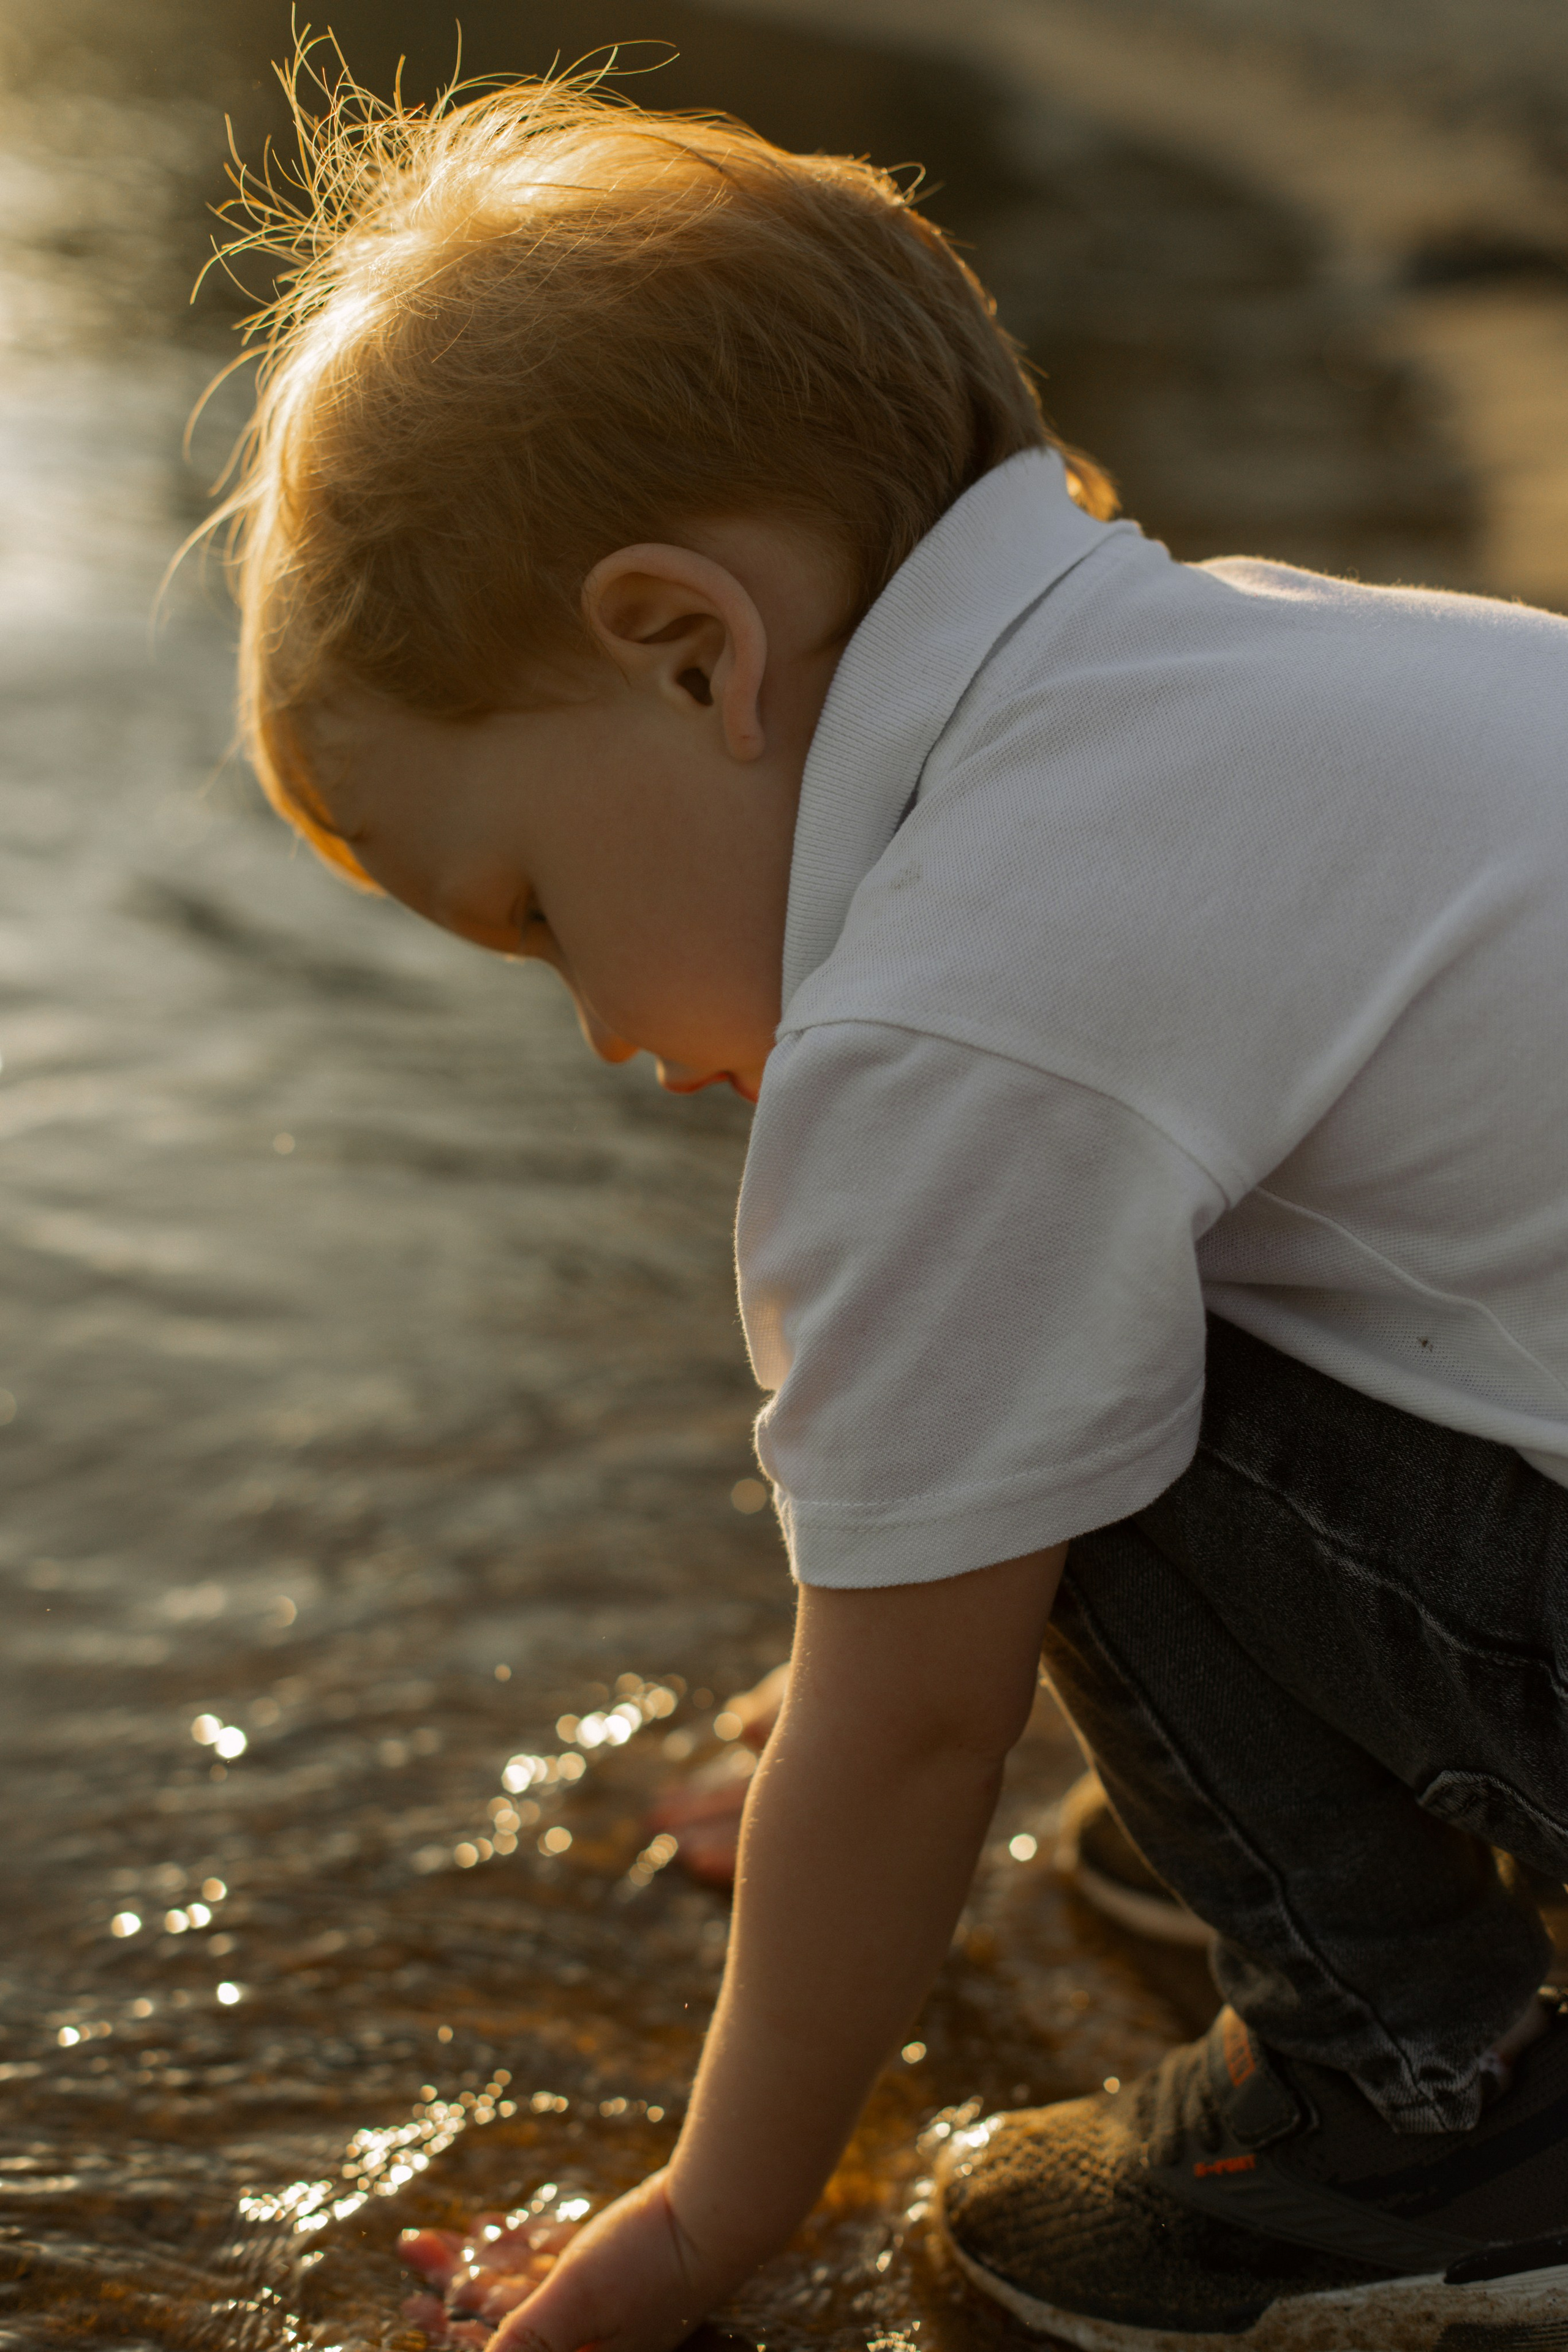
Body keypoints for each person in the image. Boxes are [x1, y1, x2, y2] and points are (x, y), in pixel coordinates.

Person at [214, 56, 1568, 2352]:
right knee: (1054, 1347)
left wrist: (696, 2229)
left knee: (1039, 1414)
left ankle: (1425, 2097)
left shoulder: (951, 1009)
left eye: (535, 908)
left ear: (689, 649)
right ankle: (1305, 1833)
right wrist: (839, 1666)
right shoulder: (1238, 671)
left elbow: (920, 1714)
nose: (607, 1041)